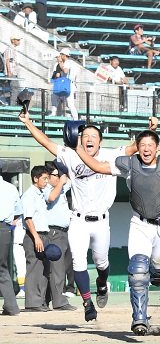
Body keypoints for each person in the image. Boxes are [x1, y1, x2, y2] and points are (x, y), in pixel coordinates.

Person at [18, 113, 148, 323]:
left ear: (100, 141)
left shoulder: (110, 155)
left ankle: (102, 284)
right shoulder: (70, 155)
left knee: (101, 262)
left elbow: (135, 146)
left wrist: (150, 129)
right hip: (78, 219)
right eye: (85, 135)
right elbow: (45, 141)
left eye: (93, 136)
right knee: (78, 262)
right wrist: (28, 123)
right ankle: (87, 303)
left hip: (102, 220)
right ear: (79, 139)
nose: (88, 138)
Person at [75, 130, 160, 335]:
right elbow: (98, 166)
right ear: (137, 147)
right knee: (138, 271)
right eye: (142, 145)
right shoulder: (129, 166)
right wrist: (77, 148)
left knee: (158, 272)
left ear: (157, 147)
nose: (146, 149)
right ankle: (139, 318)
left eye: (151, 145)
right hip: (139, 224)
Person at [21, 165, 74, 312]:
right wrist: (37, 238)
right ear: (35, 179)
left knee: (44, 269)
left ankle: (40, 302)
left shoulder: (38, 193)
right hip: (36, 235)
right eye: (45, 178)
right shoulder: (31, 194)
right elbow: (28, 219)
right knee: (34, 269)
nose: (46, 181)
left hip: (44, 235)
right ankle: (33, 303)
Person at [0, 174, 23, 316]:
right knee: (2, 269)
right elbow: (18, 213)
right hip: (4, 229)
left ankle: (11, 306)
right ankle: (12, 306)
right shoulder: (11, 188)